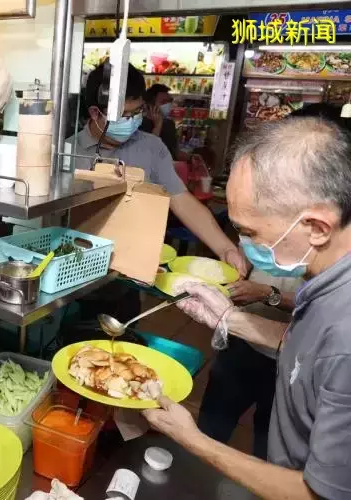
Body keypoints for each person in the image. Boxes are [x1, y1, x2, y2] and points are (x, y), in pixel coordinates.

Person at [144, 117, 351, 500]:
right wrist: (229, 318)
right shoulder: (329, 281)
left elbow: (319, 494)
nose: (245, 245)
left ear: (318, 227)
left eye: (252, 233)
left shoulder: (346, 335)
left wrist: (193, 440)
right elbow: (306, 349)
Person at [66, 62, 247, 327]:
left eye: (138, 111)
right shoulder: (67, 152)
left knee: (121, 342)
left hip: (128, 279)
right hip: (73, 275)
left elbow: (181, 199)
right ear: (95, 112)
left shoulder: (151, 148)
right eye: (125, 115)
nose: (133, 121)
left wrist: (225, 247)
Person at [199, 270, 300, 459]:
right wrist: (237, 266)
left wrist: (267, 294)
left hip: (293, 363)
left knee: (271, 446)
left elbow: (319, 307)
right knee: (210, 426)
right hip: (241, 343)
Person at [140, 84, 180, 159]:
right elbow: (147, 153)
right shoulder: (140, 125)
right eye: (163, 102)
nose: (168, 105)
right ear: (150, 105)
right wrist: (157, 126)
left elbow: (175, 153)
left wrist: (190, 158)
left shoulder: (170, 124)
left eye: (169, 101)